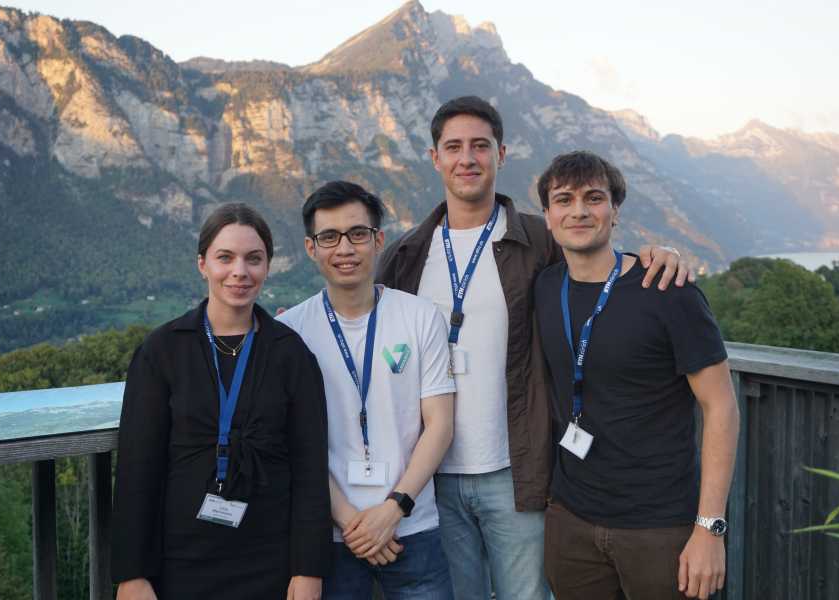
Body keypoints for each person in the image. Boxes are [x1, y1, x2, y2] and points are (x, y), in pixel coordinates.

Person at [376, 95, 694, 599]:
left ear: (501, 155)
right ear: (434, 158)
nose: (468, 158)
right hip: (431, 478)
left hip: (517, 473)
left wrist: (660, 254)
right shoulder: (405, 255)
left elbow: (598, 262)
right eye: (453, 147)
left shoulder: (538, 238)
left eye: (480, 145)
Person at [534, 151, 739, 600]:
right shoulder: (546, 287)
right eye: (563, 199)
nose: (579, 210)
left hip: (662, 527)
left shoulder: (667, 290)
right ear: (547, 217)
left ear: (615, 210)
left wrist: (710, 529)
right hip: (571, 522)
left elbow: (721, 405)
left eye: (594, 197)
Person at [111, 203, 332, 600]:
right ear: (202, 264)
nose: (239, 272)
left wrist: (308, 568)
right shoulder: (162, 351)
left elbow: (310, 468)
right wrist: (132, 574)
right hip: (180, 562)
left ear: (268, 266)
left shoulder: (291, 354)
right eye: (225, 258)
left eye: (254, 259)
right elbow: (136, 469)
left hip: (272, 563)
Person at [278, 181, 456, 599]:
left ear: (378, 240)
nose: (345, 248)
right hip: (331, 536)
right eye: (329, 237)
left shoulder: (420, 317)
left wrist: (393, 509)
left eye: (358, 234)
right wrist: (351, 521)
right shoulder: (291, 333)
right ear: (311, 248)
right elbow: (292, 443)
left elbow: (440, 423)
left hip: (414, 527)